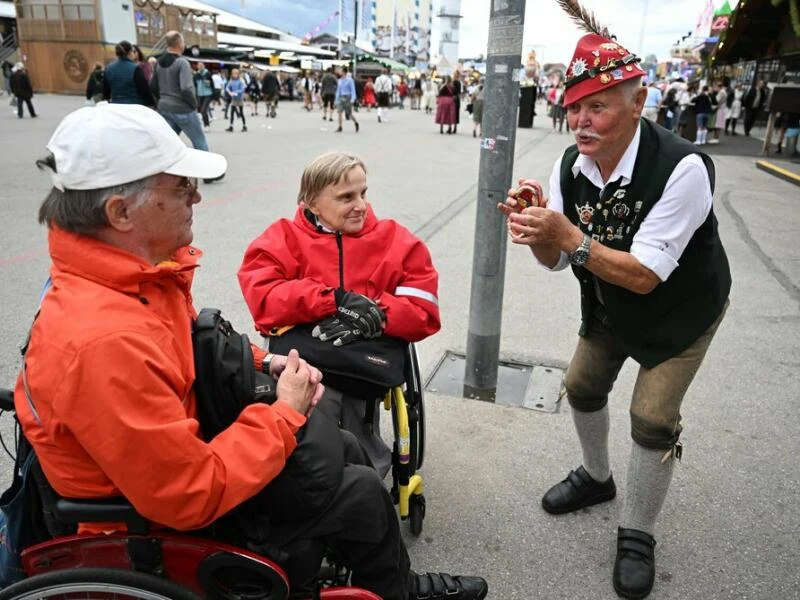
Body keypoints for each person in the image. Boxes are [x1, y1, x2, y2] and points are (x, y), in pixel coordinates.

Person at [17, 104, 488, 600]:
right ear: (120, 213)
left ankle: (363, 570)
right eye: (180, 187)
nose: (196, 196)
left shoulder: (134, 278)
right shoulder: (103, 340)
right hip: (151, 520)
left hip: (175, 461)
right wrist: (284, 412)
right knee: (360, 492)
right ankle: (396, 589)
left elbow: (192, 344)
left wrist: (268, 363)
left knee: (341, 446)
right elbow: (188, 494)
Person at [498, 32, 731, 600]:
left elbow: (646, 275)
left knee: (652, 418)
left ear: (638, 102)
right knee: (580, 386)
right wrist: (535, 226)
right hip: (609, 299)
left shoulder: (683, 168)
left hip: (681, 309)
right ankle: (598, 479)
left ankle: (638, 531)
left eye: (597, 106)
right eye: (574, 107)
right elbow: (555, 261)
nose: (580, 121)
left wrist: (568, 235)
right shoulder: (569, 165)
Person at [238, 150, 441, 481]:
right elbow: (263, 297)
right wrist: (332, 300)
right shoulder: (282, 238)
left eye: (363, 193)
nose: (360, 205)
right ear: (312, 203)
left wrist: (376, 314)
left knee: (341, 395)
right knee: (312, 386)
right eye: (346, 197)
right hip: (306, 352)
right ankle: (326, 471)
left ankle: (348, 476)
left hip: (363, 360)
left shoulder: (395, 240)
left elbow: (425, 307)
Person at [150, 31, 210, 153]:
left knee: (167, 143)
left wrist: (161, 100)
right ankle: (206, 169)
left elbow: (153, 85)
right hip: (183, 109)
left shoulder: (158, 63)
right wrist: (194, 104)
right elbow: (186, 88)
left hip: (165, 108)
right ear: (180, 44)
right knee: (199, 141)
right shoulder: (182, 62)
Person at [103, 41, 154, 106]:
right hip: (134, 105)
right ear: (130, 53)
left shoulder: (108, 68)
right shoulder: (135, 68)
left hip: (116, 106)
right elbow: (144, 90)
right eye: (133, 51)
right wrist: (151, 104)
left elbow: (105, 92)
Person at [334, 66, 359, 134]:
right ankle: (340, 126)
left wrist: (353, 99)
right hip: (341, 97)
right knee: (339, 112)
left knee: (349, 114)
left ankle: (355, 122)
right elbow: (338, 91)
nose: (339, 72)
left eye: (341, 71)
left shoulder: (350, 80)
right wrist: (336, 100)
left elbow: (353, 90)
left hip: (348, 97)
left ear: (344, 72)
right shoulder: (339, 81)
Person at [193, 62, 214, 131]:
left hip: (208, 94)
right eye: (199, 66)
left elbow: (212, 84)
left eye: (201, 66)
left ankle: (206, 125)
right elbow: (194, 85)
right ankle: (206, 121)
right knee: (201, 110)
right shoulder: (196, 75)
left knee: (203, 110)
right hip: (200, 94)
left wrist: (213, 95)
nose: (200, 67)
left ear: (204, 66)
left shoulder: (207, 74)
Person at [225, 68, 247, 132]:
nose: (234, 75)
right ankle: (231, 126)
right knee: (232, 112)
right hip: (234, 98)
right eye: (233, 73)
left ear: (238, 74)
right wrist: (229, 92)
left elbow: (242, 89)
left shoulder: (240, 81)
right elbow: (227, 87)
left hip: (239, 98)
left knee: (241, 112)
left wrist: (236, 92)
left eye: (236, 73)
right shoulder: (231, 80)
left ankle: (244, 126)